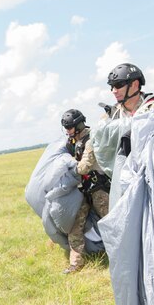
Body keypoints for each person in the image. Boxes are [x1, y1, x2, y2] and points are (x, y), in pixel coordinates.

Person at [61, 108, 110, 274]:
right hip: (83, 190)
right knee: (75, 225)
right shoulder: (73, 142)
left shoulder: (91, 139)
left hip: (100, 189)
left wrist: (68, 166)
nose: (67, 132)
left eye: (69, 128)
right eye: (65, 128)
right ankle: (76, 263)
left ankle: (125, 255)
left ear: (78, 125)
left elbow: (84, 167)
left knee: (112, 223)